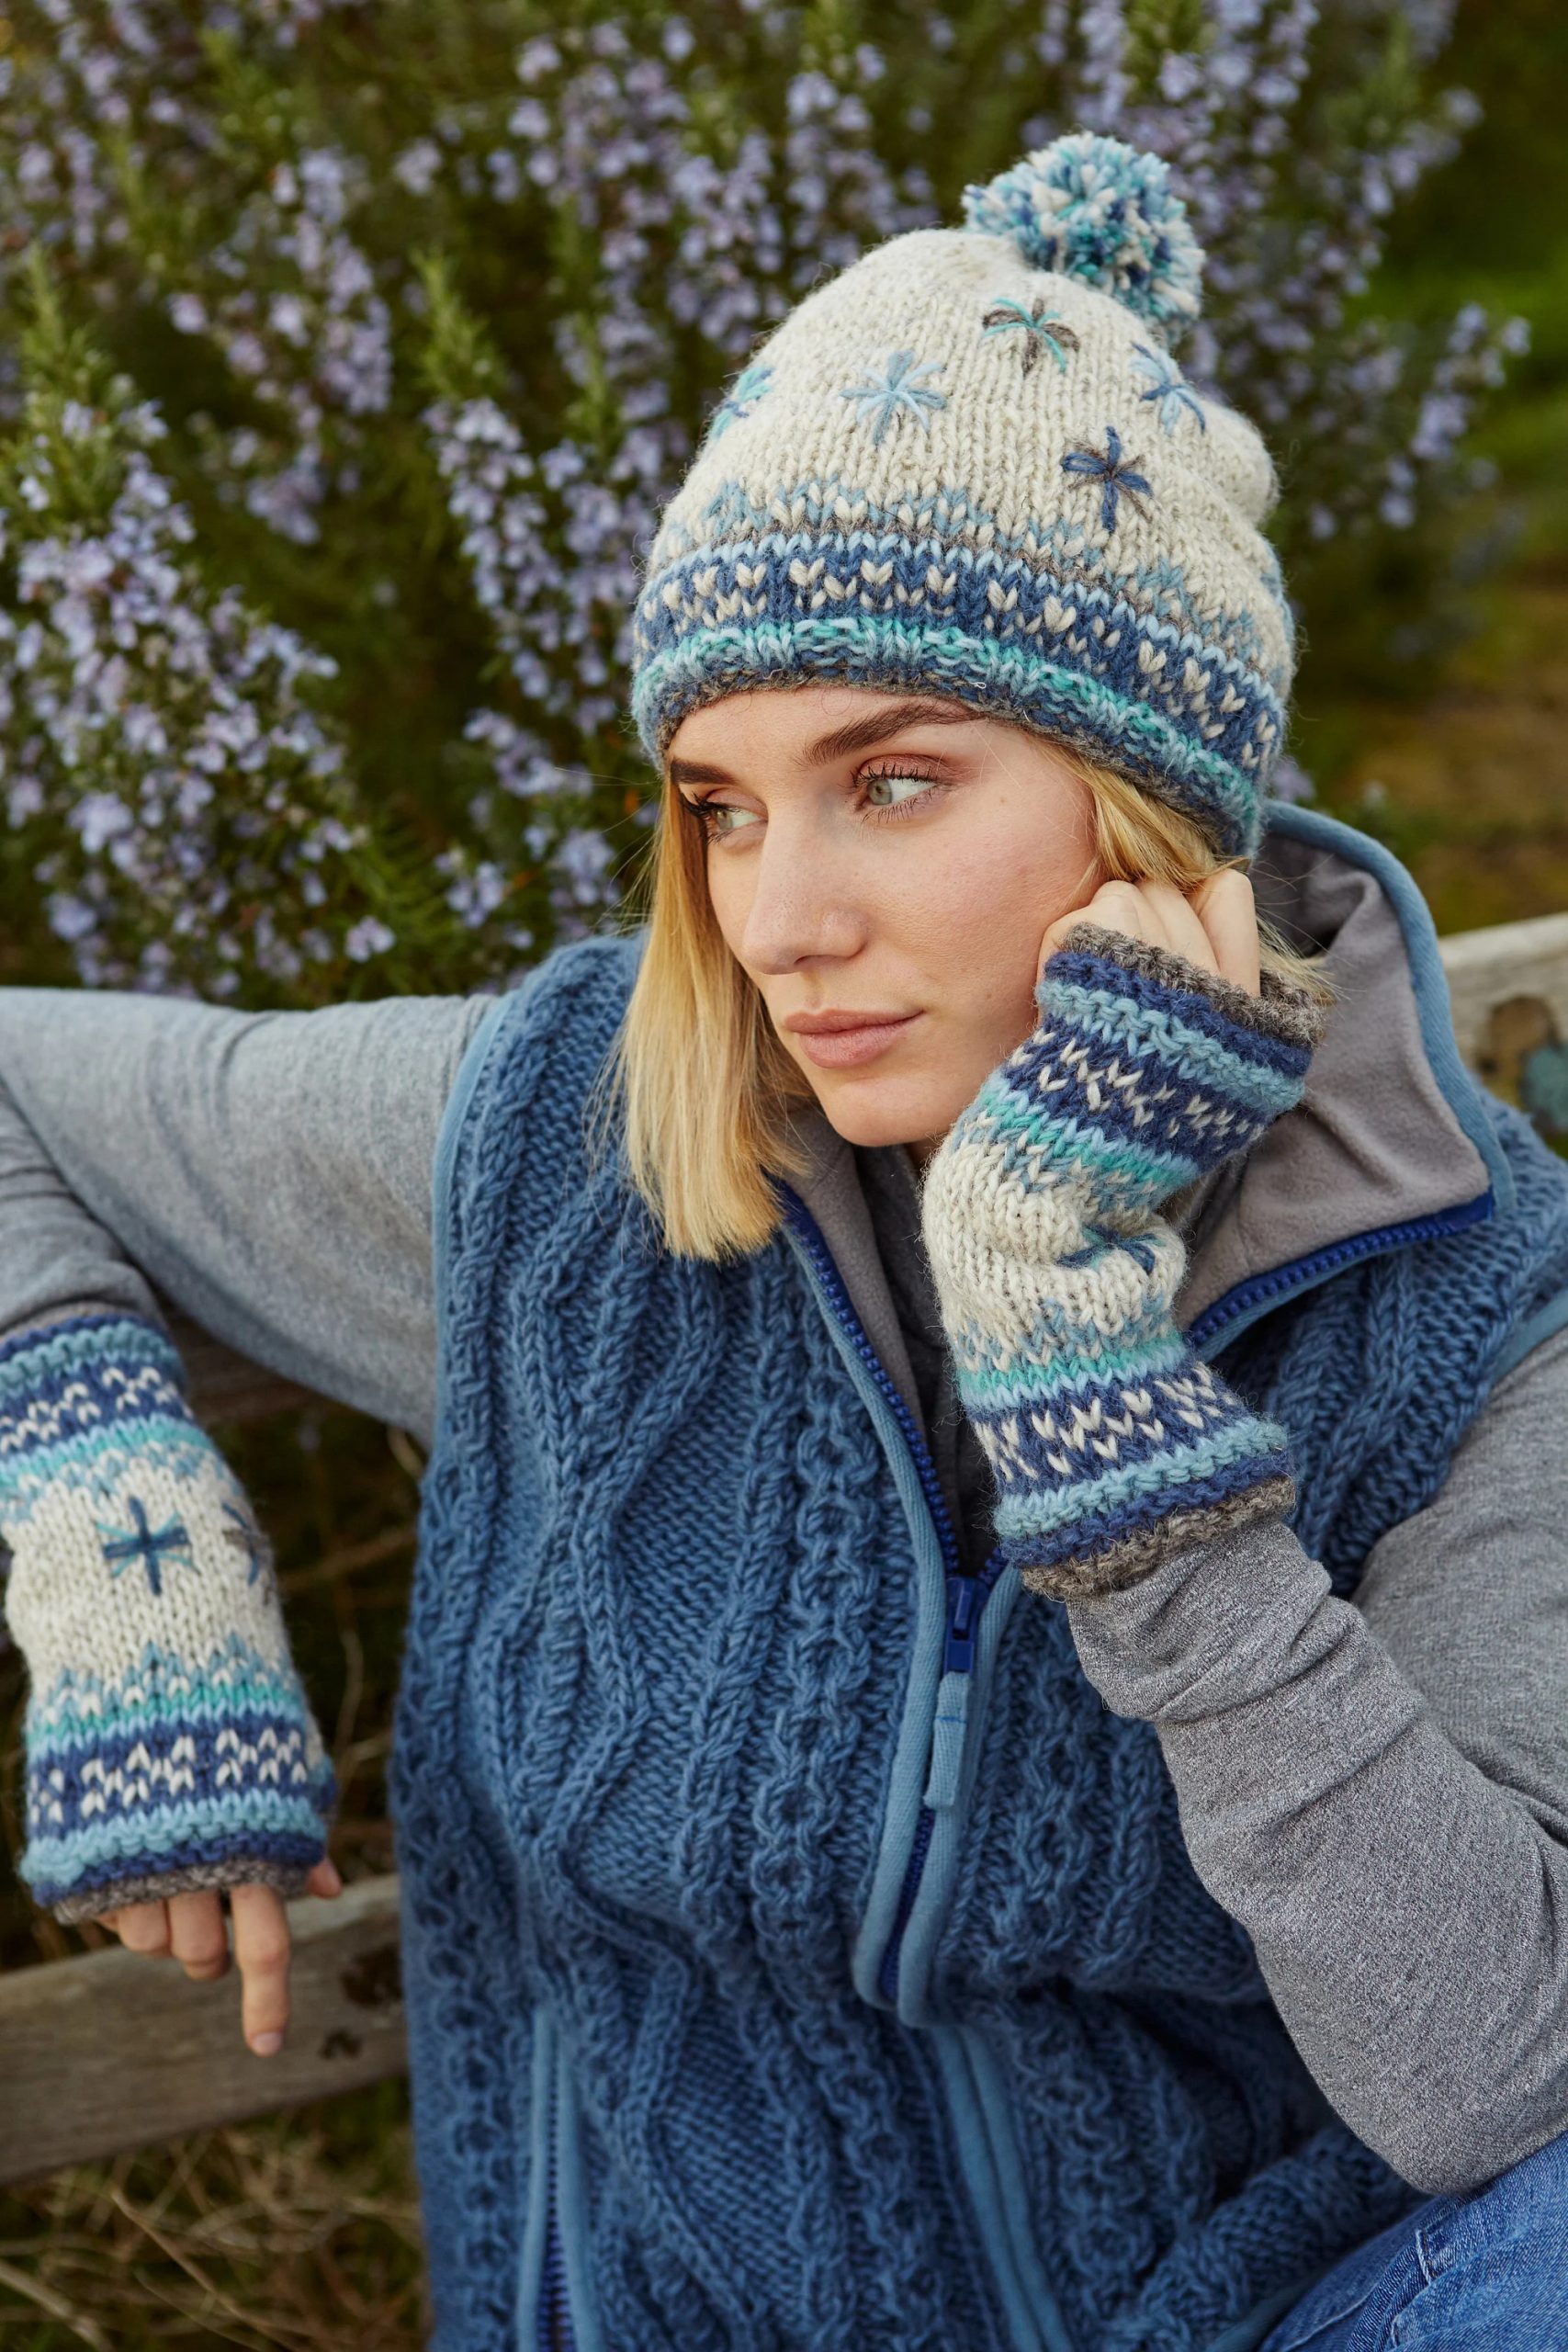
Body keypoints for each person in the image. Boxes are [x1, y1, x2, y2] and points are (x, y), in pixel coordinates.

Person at [4, 129, 1568, 2352]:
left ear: (1153, 808)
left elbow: (1500, 2077)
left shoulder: (1458, 1292)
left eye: (893, 780)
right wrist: (114, 1535)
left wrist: (1113, 1443)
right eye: (718, 805)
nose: (780, 919)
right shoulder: (565, 1151)